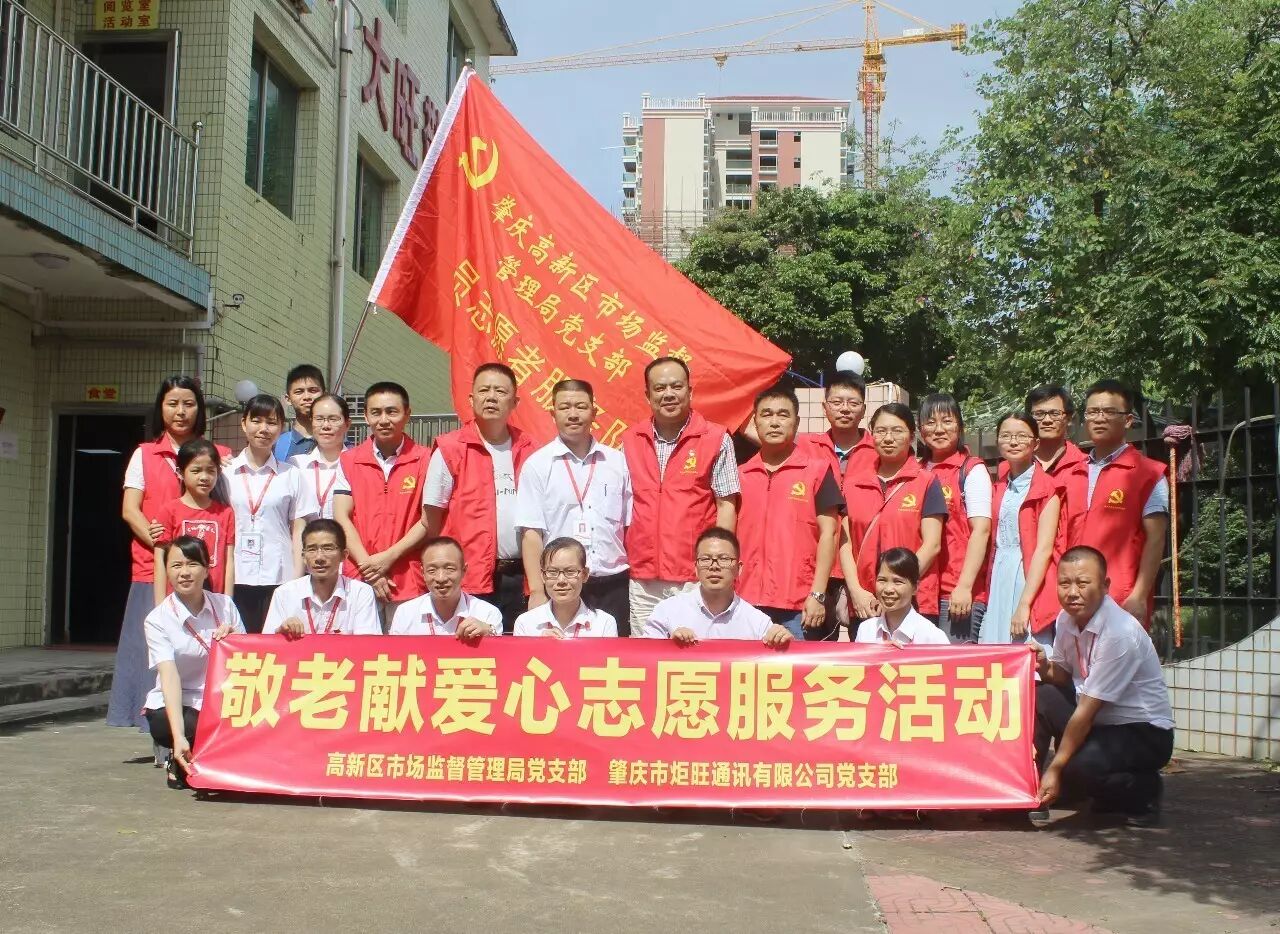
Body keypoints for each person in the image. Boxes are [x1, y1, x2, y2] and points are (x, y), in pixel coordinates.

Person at [108, 375, 229, 735]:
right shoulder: (144, 454)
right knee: (155, 650)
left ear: (200, 409)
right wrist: (166, 551)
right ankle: (156, 729)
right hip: (153, 570)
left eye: (189, 403)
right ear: (160, 408)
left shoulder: (219, 455)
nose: (180, 411)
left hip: (205, 577)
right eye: (172, 403)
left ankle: (195, 730)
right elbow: (130, 510)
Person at [1032, 546, 1174, 827]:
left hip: (1142, 731)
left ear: (1105, 585)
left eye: (1083, 583)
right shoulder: (1066, 619)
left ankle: (1143, 791)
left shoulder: (1120, 633)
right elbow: (1062, 675)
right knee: (1042, 696)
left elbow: (1086, 712)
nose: (1073, 592)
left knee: (1078, 768)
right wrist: (1043, 665)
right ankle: (1031, 787)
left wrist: (1056, 767)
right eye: (1064, 583)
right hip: (1100, 723)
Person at [621, 356, 740, 635]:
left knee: (694, 650)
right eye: (660, 388)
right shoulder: (629, 440)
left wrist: (717, 563)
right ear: (648, 395)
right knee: (647, 653)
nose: (669, 394)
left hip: (693, 576)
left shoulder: (716, 439)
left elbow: (726, 506)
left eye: (676, 386)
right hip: (643, 579)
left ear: (690, 391)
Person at [422, 364, 534, 634]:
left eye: (500, 391)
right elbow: (432, 520)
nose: (491, 397)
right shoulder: (450, 448)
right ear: (471, 399)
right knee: (471, 648)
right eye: (484, 390)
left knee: (517, 646)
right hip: (469, 577)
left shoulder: (531, 449)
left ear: (515, 402)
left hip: (521, 575)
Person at [515, 379, 633, 633]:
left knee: (613, 655)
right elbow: (531, 533)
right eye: (565, 407)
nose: (573, 414)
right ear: (553, 413)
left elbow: (629, 526)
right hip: (562, 584)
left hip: (612, 583)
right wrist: (537, 591)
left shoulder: (617, 462)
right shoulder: (537, 465)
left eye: (580, 406)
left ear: (594, 412)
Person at [736, 386, 843, 641]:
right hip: (744, 600)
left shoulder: (817, 471)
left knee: (797, 668)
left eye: (783, 415)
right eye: (767, 414)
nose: (774, 422)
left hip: (798, 604)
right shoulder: (740, 474)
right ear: (755, 422)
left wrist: (817, 594)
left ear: (796, 422)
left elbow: (830, 534)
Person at [1060, 380, 1170, 627]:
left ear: (1128, 420)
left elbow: (1156, 540)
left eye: (1109, 412)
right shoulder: (1072, 474)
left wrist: (1139, 595)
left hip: (1120, 597)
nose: (1099, 418)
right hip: (1072, 597)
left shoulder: (1148, 474)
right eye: (1092, 412)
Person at [143, 536, 245, 788]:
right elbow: (169, 676)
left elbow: (247, 661)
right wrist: (178, 736)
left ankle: (204, 759)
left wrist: (235, 640)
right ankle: (181, 751)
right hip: (181, 702)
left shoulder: (225, 606)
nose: (185, 572)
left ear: (207, 569)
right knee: (171, 724)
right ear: (167, 572)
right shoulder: (157, 620)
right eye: (176, 565)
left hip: (222, 699)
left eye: (192, 564)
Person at [840, 403, 947, 623]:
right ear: (872, 435)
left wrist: (894, 590)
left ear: (912, 436)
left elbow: (932, 544)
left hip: (913, 603)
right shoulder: (852, 484)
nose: (888, 438)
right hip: (865, 603)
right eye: (881, 431)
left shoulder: (926, 482)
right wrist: (856, 591)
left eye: (897, 431)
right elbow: (845, 543)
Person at [334, 382, 430, 627]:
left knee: (406, 649)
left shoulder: (426, 459)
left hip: (408, 579)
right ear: (366, 416)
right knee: (361, 649)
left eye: (392, 411)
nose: (384, 420)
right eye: (376, 412)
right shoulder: (349, 460)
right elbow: (342, 517)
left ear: (407, 414)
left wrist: (388, 558)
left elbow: (428, 520)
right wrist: (370, 569)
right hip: (359, 578)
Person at [225, 394, 313, 632]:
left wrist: (296, 583)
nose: (263, 429)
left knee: (277, 645)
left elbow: (299, 531)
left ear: (281, 428)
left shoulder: (291, 474)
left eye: (272, 422)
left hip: (279, 576)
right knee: (239, 644)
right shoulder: (224, 473)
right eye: (256, 421)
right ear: (244, 423)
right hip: (234, 576)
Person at [801, 371, 877, 639]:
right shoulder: (805, 447)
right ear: (824, 407)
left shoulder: (879, 449)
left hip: (864, 569)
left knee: (866, 646)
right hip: (816, 567)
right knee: (816, 649)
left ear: (864, 409)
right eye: (837, 402)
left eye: (853, 403)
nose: (845, 409)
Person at [981, 414, 1064, 646]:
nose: (1013, 442)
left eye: (1021, 436)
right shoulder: (999, 485)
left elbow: (1044, 549)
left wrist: (1025, 604)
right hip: (998, 572)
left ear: (1035, 443)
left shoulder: (1047, 489)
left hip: (1026, 574)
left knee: (1024, 646)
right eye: (1006, 436)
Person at [916, 393, 992, 642]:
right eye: (930, 422)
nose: (939, 429)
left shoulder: (971, 470)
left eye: (947, 421)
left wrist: (965, 586)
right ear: (920, 429)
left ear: (960, 426)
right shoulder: (915, 471)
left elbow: (981, 530)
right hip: (921, 591)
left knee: (953, 663)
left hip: (956, 593)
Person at [644, 527, 791, 646]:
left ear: (738, 568)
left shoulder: (758, 623)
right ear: (696, 568)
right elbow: (644, 656)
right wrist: (669, 646)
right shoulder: (667, 611)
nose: (714, 566)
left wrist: (784, 641)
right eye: (705, 559)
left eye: (724, 559)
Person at [152, 439, 236, 606]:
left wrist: (227, 604)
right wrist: (160, 606)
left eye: (211, 471)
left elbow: (229, 562)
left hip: (215, 601)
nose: (204, 477)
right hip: (177, 601)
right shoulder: (169, 511)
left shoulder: (226, 513)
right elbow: (160, 561)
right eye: (196, 471)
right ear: (180, 473)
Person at [262, 519, 381, 636]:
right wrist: (281, 632)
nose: (319, 557)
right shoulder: (284, 594)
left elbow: (367, 644)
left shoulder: (360, 593)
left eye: (328, 548)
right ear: (303, 556)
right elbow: (268, 644)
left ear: (344, 555)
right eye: (312, 549)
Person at [388, 537, 503, 639]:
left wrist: (489, 633)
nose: (441, 578)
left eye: (449, 569)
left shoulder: (487, 613)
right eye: (432, 570)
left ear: (464, 570)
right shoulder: (405, 613)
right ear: (423, 573)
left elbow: (499, 654)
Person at [513, 538, 619, 638]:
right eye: (552, 572)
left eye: (570, 571)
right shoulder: (526, 623)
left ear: (585, 574)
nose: (561, 580)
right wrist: (539, 646)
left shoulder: (604, 623)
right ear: (543, 576)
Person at [854, 548, 951, 645]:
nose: (888, 589)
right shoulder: (866, 631)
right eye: (882, 580)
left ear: (915, 587)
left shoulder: (932, 637)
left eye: (898, 582)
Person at [289, 393, 351, 520]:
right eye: (319, 419)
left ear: (347, 424)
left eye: (333, 419)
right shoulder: (296, 465)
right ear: (311, 422)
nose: (326, 426)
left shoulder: (357, 466)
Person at [1025, 385, 1087, 477]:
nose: (1047, 420)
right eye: (1039, 414)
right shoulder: (1013, 465)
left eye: (1055, 413)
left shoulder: (1086, 466)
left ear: (1068, 418)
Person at [274, 364, 326, 462]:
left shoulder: (339, 444)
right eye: (299, 392)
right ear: (288, 399)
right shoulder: (276, 445)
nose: (307, 397)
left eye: (313, 390)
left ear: (324, 395)